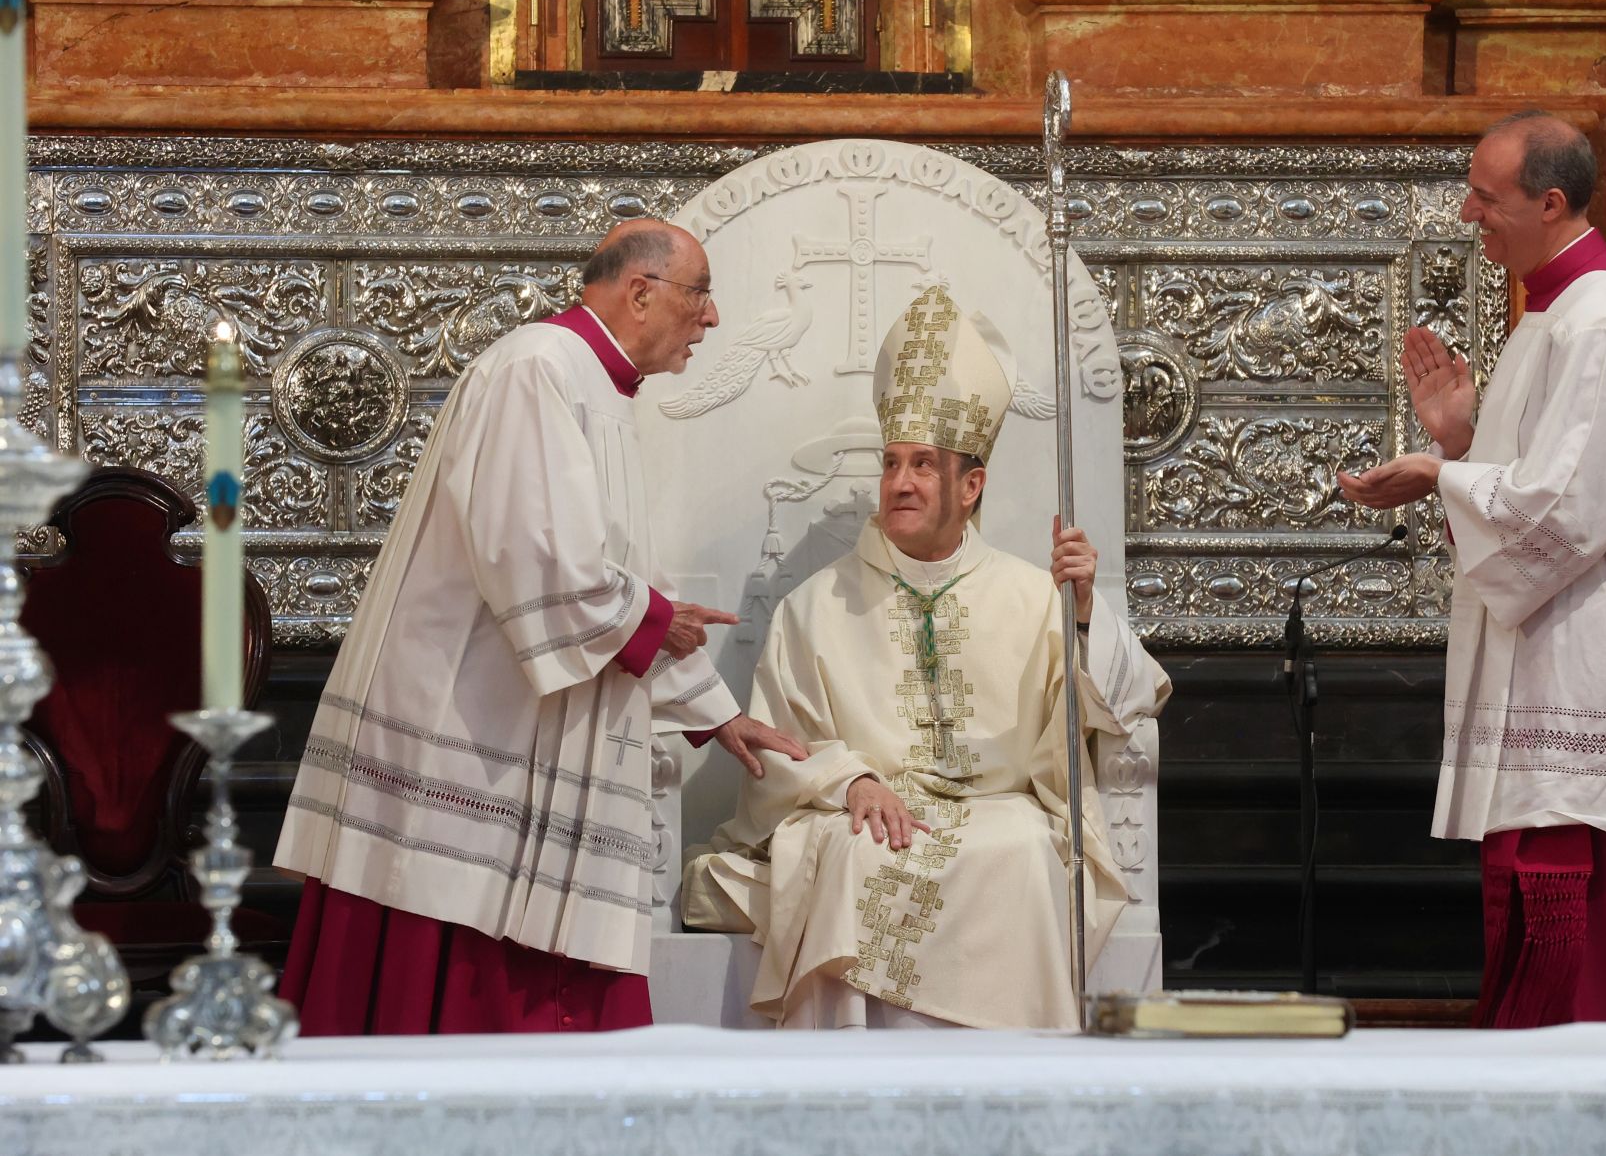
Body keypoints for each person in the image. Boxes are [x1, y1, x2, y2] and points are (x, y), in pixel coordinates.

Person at [273, 220, 806, 1035]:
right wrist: (656, 620)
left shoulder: (593, 385)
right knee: (459, 962)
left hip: (515, 724)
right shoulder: (536, 369)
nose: (713, 318)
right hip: (469, 730)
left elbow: (606, 582)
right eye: (700, 295)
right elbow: (535, 559)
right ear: (640, 292)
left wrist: (716, 711)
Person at [683, 287, 1170, 1030]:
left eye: (922, 465)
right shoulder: (815, 606)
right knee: (853, 858)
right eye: (891, 463)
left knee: (1028, 854)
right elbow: (776, 746)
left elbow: (1133, 695)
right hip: (866, 815)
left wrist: (1081, 612)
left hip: (1000, 812)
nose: (900, 482)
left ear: (971, 486)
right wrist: (851, 783)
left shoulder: (1030, 595)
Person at [1338, 112, 1606, 1029]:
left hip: (1592, 669)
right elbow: (1541, 482)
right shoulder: (1551, 316)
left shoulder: (1604, 322)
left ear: (1550, 202)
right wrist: (1464, 438)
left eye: (1486, 195)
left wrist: (1441, 472)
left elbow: (1574, 509)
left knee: (1596, 948)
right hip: (1558, 659)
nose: (1468, 212)